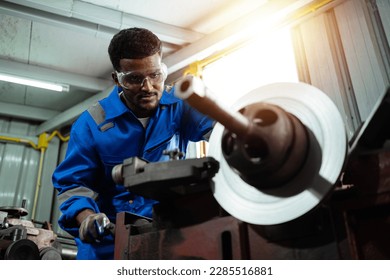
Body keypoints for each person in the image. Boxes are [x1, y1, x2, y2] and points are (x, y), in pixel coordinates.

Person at [52, 27, 214, 260]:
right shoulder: (91, 124)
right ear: (117, 79)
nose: (148, 87)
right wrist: (86, 217)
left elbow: (221, 133)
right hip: (108, 247)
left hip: (170, 239)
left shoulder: (180, 106)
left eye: (155, 75)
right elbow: (72, 185)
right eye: (134, 79)